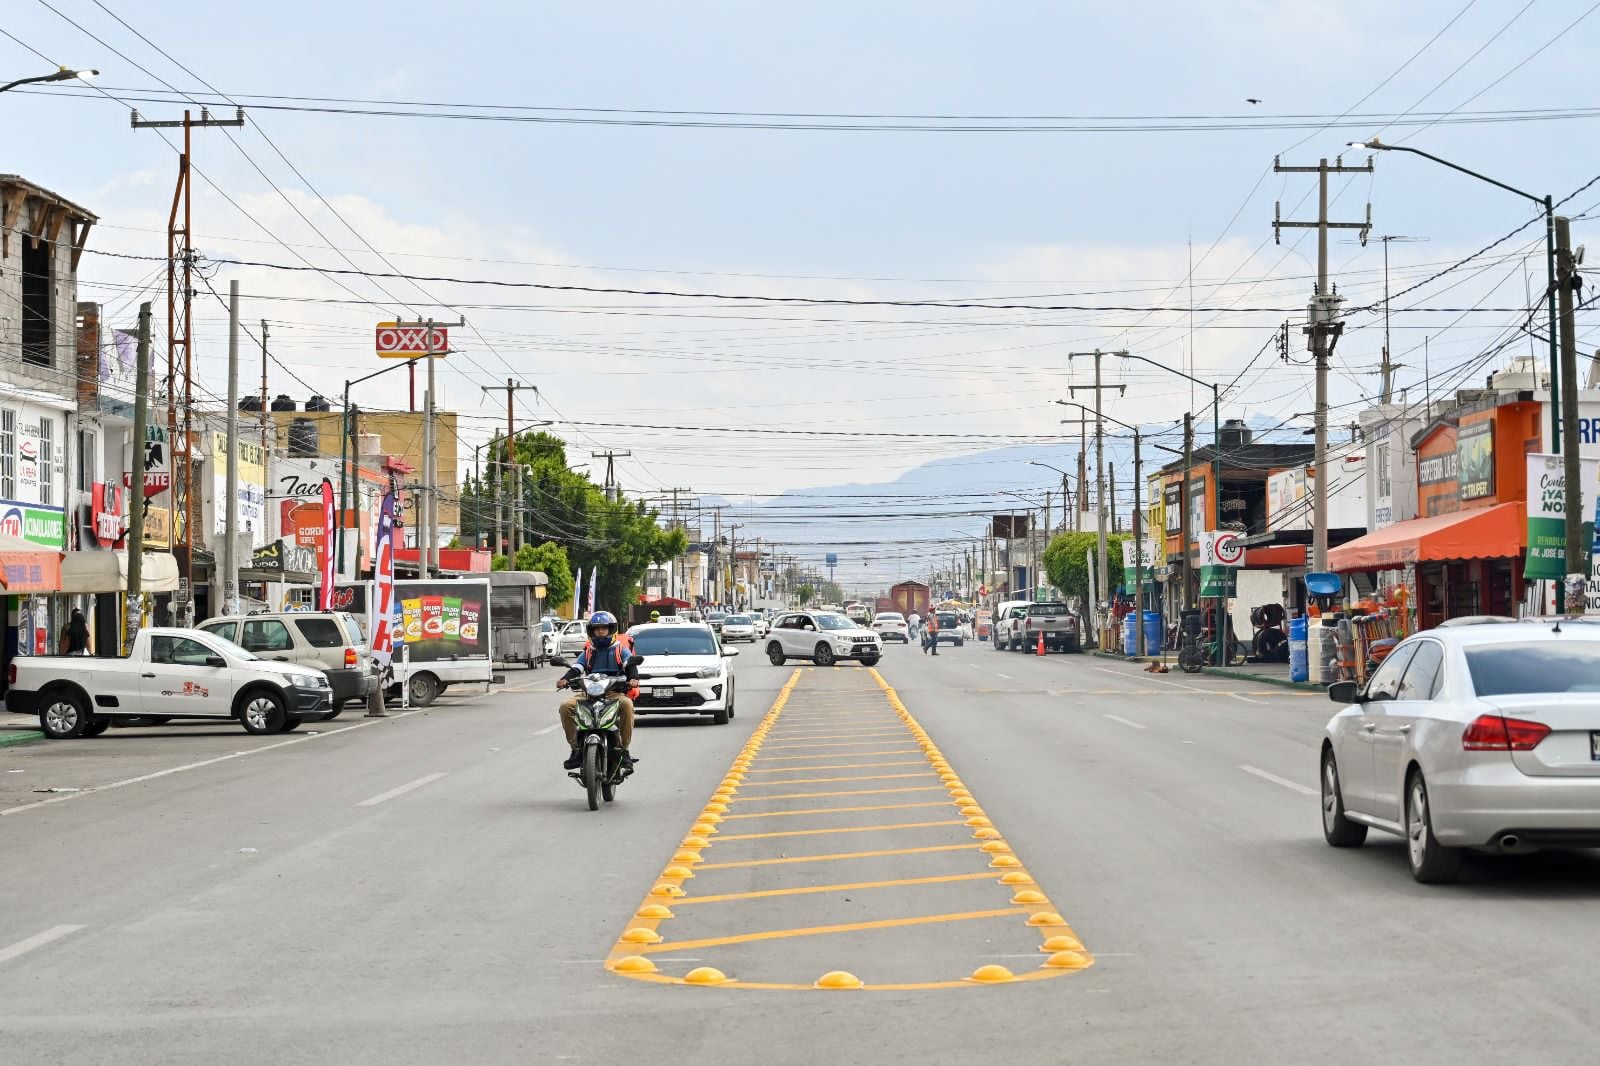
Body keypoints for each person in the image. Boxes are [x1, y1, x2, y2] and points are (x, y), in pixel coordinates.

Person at [555, 611, 638, 770]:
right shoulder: (588, 652)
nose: (600, 631)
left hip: (613, 694)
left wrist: (633, 678)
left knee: (627, 705)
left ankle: (624, 749)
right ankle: (575, 749)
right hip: (589, 693)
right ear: (591, 631)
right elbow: (577, 668)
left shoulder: (620, 650)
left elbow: (631, 665)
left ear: (611, 629)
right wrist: (565, 679)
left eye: (604, 628)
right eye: (596, 628)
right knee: (565, 706)